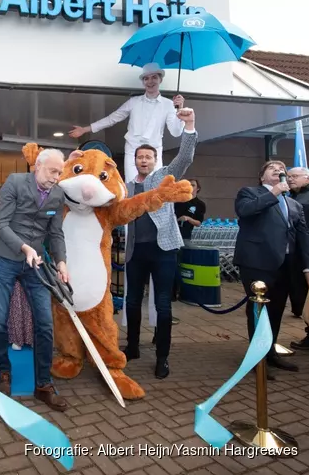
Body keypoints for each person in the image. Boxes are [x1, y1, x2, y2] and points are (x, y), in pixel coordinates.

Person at [0, 149, 69, 411]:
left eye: (60, 173)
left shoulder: (58, 194)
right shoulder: (14, 182)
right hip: (5, 257)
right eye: (52, 171)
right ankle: (4, 372)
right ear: (37, 166)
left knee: (45, 324)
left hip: (36, 264)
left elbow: (55, 233)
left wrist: (61, 262)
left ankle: (43, 385)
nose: (56, 178)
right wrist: (24, 248)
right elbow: (0, 224)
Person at [122, 108, 198, 380]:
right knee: (132, 302)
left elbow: (185, 157)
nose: (143, 160)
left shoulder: (164, 177)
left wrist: (188, 125)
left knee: (163, 305)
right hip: (135, 253)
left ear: (155, 160)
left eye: (148, 157)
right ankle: (132, 347)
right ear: (135, 161)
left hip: (163, 250)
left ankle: (162, 358)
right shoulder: (127, 188)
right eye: (140, 157)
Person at [234, 161, 309, 372]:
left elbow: (303, 237)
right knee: (259, 311)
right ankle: (257, 359)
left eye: (282, 169)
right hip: (256, 263)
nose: (279, 171)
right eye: (273, 168)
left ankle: (270, 353)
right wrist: (275, 192)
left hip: (285, 265)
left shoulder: (294, 204)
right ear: (262, 176)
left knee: (276, 311)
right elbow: (246, 211)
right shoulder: (249, 193)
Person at [68, 63, 185, 183]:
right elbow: (112, 118)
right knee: (131, 184)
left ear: (160, 79)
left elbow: (176, 132)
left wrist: (179, 110)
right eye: (146, 78)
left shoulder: (168, 104)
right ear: (143, 82)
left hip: (153, 151)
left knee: (154, 185)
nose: (150, 81)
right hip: (133, 149)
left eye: (154, 77)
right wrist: (85, 129)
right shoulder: (133, 102)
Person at [288, 167, 309, 322]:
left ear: (307, 177)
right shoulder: (290, 195)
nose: (290, 179)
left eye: (295, 176)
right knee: (295, 282)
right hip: (293, 247)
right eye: (289, 176)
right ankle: (299, 309)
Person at [174, 179, 206, 244]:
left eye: (193, 185)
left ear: (198, 189)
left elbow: (198, 223)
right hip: (172, 233)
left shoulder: (200, 204)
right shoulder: (178, 200)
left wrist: (188, 218)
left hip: (185, 235)